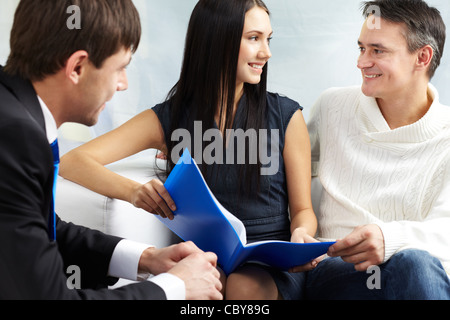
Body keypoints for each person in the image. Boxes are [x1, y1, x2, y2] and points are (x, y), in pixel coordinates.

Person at [60, 0, 318, 300]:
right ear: (217, 39)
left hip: (271, 265)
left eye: (267, 39)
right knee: (201, 285)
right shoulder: (168, 118)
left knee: (242, 288)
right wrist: (133, 192)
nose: (266, 52)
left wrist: (301, 234)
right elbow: (73, 161)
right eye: (254, 38)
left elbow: (303, 211)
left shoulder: (286, 116)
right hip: (203, 256)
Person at [0, 0, 223, 300]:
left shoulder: (14, 111)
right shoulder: (15, 138)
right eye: (120, 68)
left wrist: (146, 258)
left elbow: (41, 228)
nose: (124, 84)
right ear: (77, 67)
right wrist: (176, 287)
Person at [304, 0, 450, 299]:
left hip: (418, 276)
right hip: (335, 270)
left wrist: (390, 238)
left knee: (415, 264)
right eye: (361, 48)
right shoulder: (332, 107)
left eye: (377, 51)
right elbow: (275, 179)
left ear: (422, 57)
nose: (361, 62)